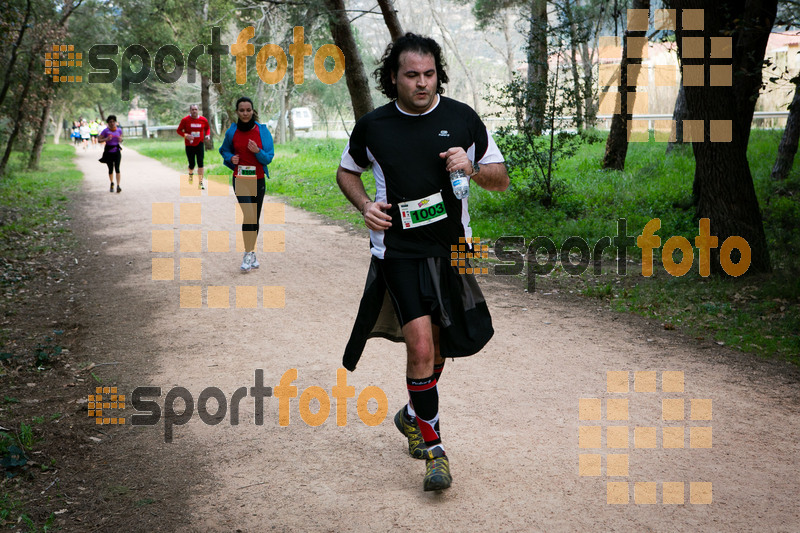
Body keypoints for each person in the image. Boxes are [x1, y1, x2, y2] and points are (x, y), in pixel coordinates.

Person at [335, 33, 509, 492]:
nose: (422, 83)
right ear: (393, 77)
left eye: (429, 74)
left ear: (439, 75)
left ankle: (412, 414)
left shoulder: (463, 119)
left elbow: (501, 180)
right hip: (399, 251)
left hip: (454, 247)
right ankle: (435, 451)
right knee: (421, 347)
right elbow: (346, 171)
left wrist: (471, 167)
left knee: (441, 342)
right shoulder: (374, 126)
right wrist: (364, 206)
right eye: (412, 75)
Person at [219, 97, 275, 272]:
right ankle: (247, 253)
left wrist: (258, 152)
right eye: (242, 110)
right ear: (237, 112)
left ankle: (251, 252)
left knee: (255, 218)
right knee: (249, 215)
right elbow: (224, 150)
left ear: (253, 111)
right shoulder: (232, 132)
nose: (245, 113)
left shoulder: (262, 131)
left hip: (258, 179)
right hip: (241, 179)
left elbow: (269, 157)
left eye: (248, 110)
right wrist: (230, 158)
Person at [177, 104, 211, 189]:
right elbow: (179, 130)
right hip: (189, 144)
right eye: (192, 109)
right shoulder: (185, 120)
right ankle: (191, 174)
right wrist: (186, 135)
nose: (194, 111)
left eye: (196, 109)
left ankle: (200, 182)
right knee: (192, 164)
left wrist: (207, 135)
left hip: (200, 143)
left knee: (200, 163)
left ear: (198, 110)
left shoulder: (203, 120)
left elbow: (207, 128)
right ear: (190, 111)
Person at [98, 115, 123, 193]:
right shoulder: (105, 131)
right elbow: (99, 140)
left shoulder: (119, 130)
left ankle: (118, 185)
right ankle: (112, 183)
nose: (112, 123)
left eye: (113, 121)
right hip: (108, 151)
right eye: (110, 122)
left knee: (117, 168)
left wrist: (120, 139)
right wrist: (106, 139)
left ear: (115, 122)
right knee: (110, 169)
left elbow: (121, 139)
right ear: (108, 123)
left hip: (117, 151)